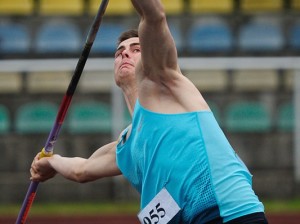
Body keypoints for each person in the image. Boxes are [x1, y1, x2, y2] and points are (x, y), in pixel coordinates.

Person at [30, 0, 268, 223]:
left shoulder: (163, 81)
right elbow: (82, 170)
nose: (124, 53)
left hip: (230, 214)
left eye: (136, 49)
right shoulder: (127, 145)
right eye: (119, 51)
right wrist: (52, 163)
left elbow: (154, 15)